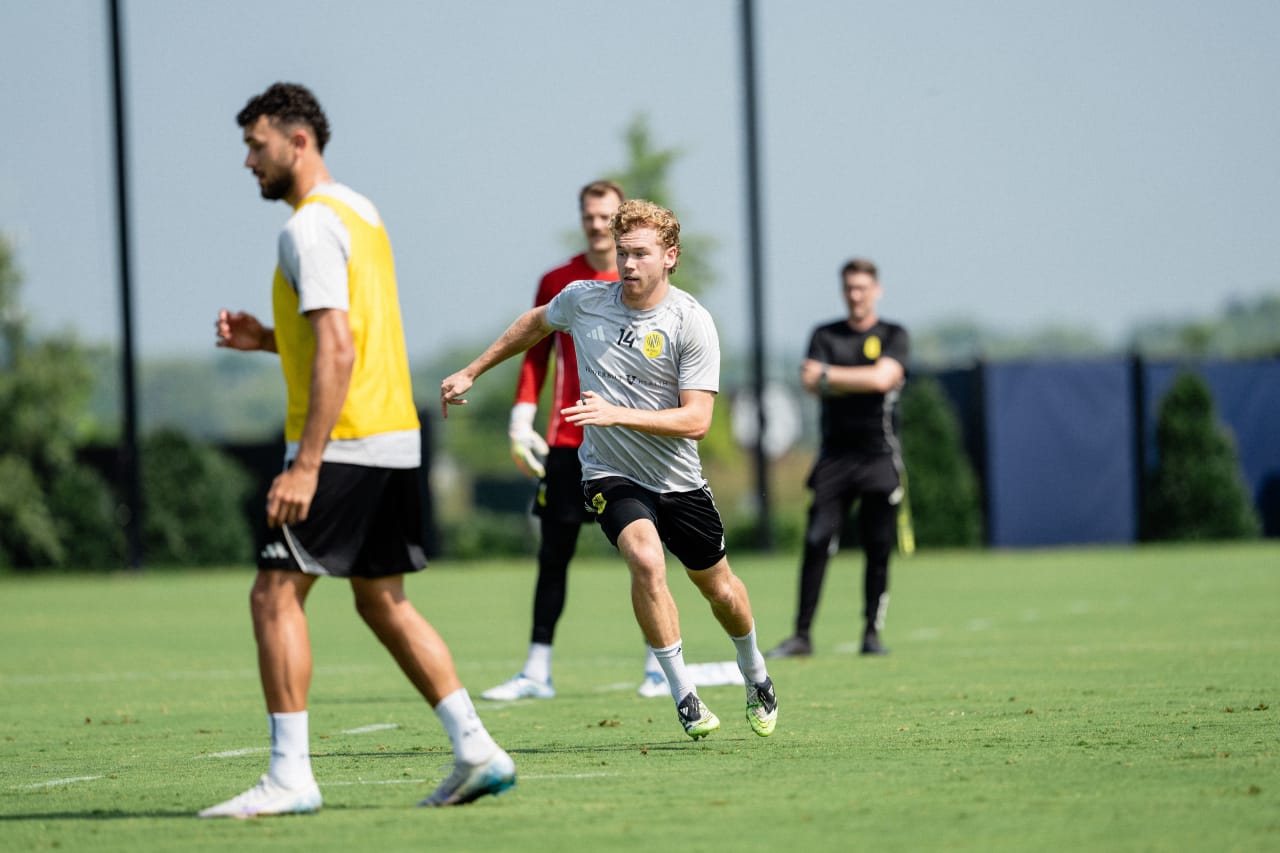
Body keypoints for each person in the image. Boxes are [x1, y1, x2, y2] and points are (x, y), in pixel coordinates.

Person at [200, 82, 514, 818]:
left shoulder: (307, 227)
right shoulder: (361, 212)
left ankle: (289, 777)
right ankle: (476, 748)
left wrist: (306, 464)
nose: (248, 162)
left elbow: (338, 349)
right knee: (381, 599)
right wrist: (268, 339)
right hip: (393, 437)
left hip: (342, 442)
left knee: (274, 593)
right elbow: (348, 338)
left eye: (256, 145)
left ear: (298, 140)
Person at [441, 199, 777, 740]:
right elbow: (534, 323)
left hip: (678, 480)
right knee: (644, 558)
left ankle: (754, 670)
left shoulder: (690, 322)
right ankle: (684, 696)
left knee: (720, 590)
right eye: (622, 253)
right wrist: (472, 371)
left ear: (670, 256)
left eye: (640, 253)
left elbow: (696, 420)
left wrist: (616, 412)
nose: (628, 264)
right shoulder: (584, 300)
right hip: (607, 471)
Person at [483, 181, 670, 702]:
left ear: (621, 218)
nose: (596, 224)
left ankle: (659, 667)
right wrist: (522, 417)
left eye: (606, 215)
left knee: (647, 554)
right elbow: (535, 348)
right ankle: (536, 671)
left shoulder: (644, 280)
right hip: (568, 438)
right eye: (589, 215)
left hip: (631, 442)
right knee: (554, 552)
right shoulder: (559, 281)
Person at [767, 258, 909, 659]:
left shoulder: (893, 334)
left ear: (876, 290)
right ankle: (801, 635)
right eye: (849, 288)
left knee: (878, 547)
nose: (855, 295)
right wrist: (860, 378)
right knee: (816, 541)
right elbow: (809, 382)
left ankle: (871, 634)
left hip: (879, 456)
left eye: (862, 288)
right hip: (834, 458)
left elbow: (883, 379)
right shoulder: (825, 335)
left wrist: (830, 376)